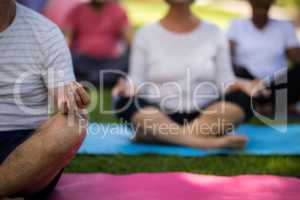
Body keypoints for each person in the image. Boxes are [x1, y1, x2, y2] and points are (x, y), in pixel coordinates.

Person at [112, 0, 263, 150]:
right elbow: (136, 81)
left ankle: (158, 137)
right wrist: (126, 88)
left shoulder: (214, 32)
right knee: (124, 101)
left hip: (206, 115)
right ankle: (206, 142)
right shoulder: (145, 34)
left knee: (245, 98)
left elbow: (225, 82)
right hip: (159, 114)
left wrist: (245, 85)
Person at [0, 1, 90, 199]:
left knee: (72, 124)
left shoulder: (45, 32)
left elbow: (62, 96)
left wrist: (70, 99)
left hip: (28, 147)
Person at [228, 0, 300, 113]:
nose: (260, 9)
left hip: (276, 81)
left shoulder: (285, 26)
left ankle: (265, 105)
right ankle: (269, 105)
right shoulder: (237, 25)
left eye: (264, 5)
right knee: (231, 74)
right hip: (247, 80)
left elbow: (295, 57)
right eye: (257, 5)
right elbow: (227, 56)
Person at [64, 0, 132, 87]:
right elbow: (66, 40)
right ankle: (98, 79)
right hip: (83, 60)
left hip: (110, 61)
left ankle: (87, 80)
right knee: (68, 58)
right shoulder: (77, 10)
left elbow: (130, 41)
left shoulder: (118, 11)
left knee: (127, 61)